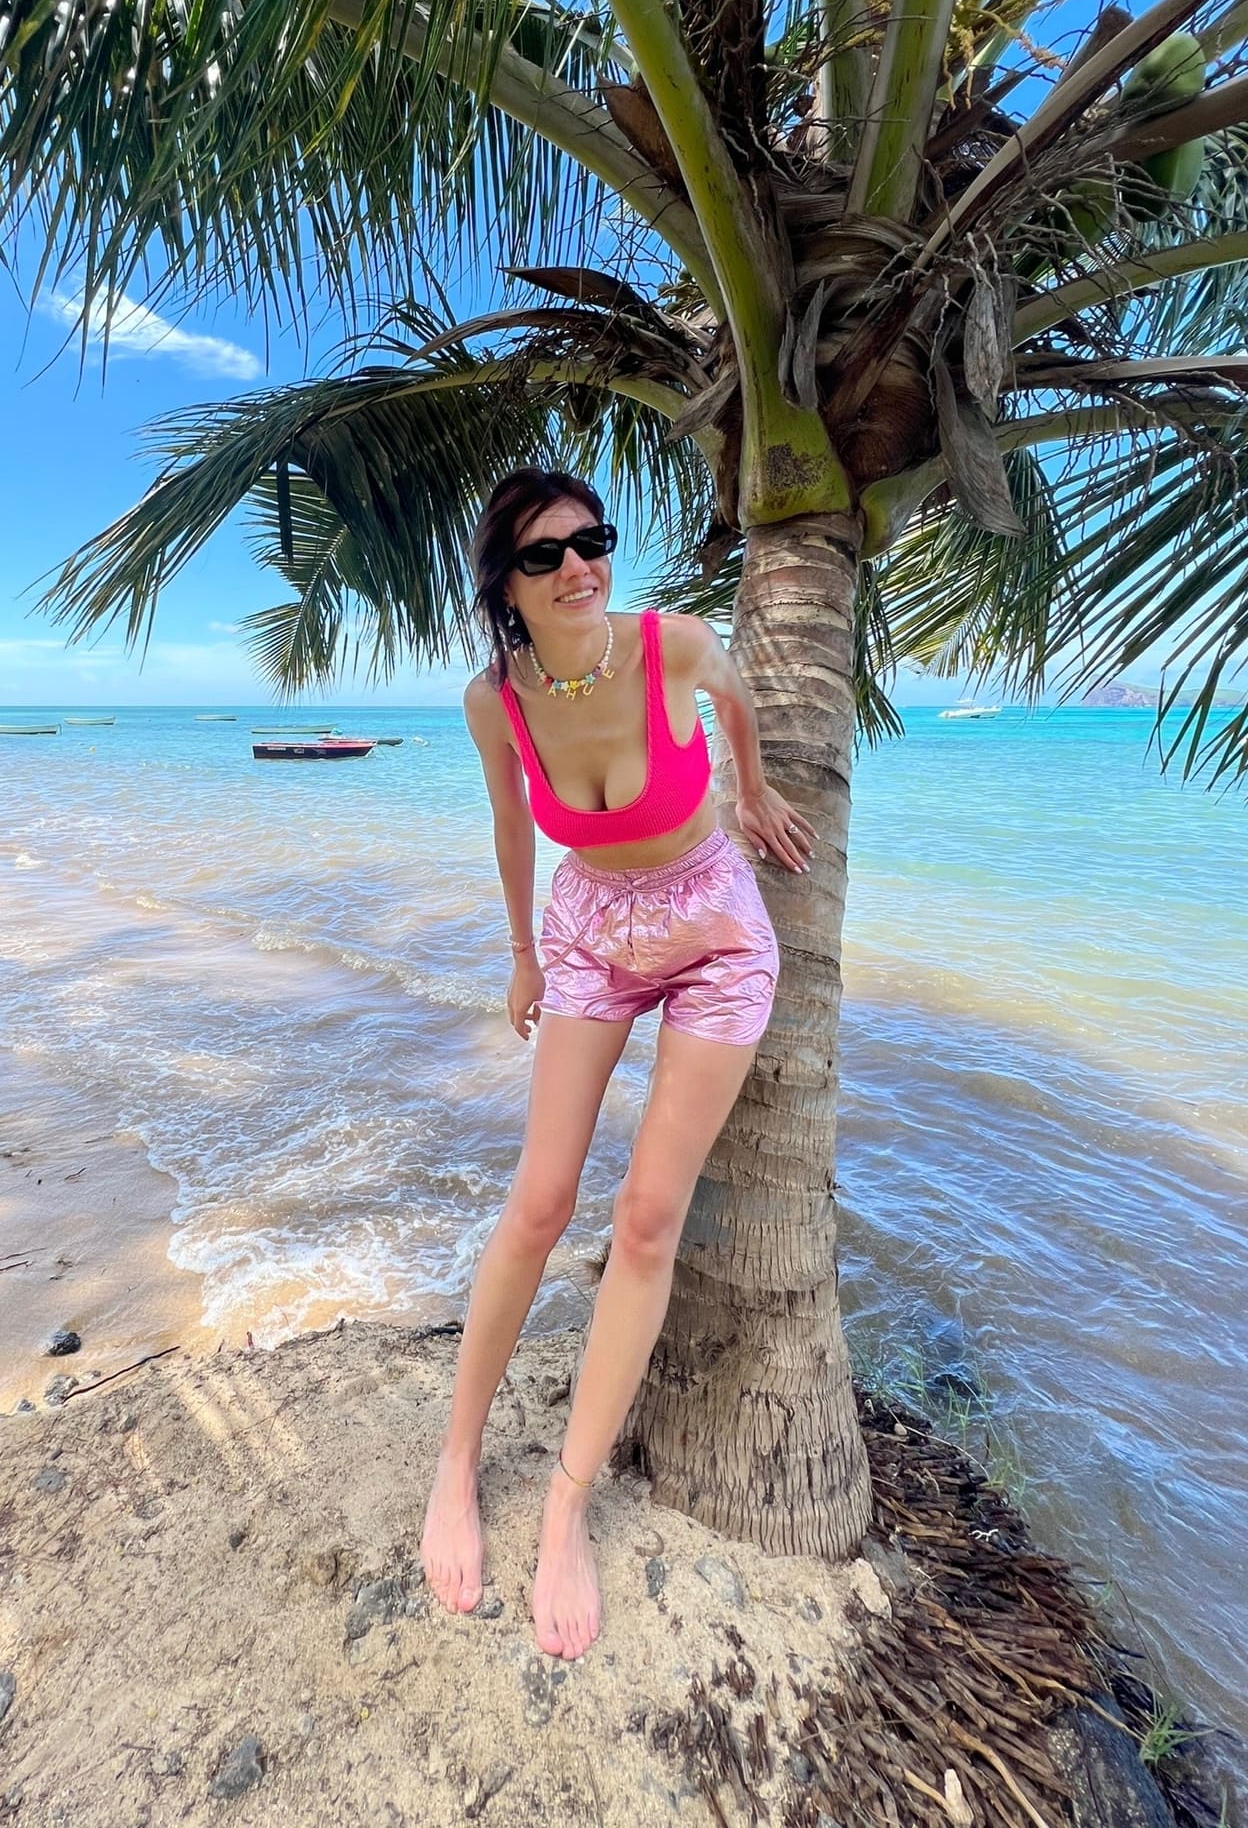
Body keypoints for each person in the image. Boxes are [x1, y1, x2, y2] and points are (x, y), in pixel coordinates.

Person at [420, 467, 816, 1661]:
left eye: (590, 541)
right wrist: (520, 954)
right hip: (588, 929)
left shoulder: (672, 645)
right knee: (539, 1203)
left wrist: (751, 793)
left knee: (646, 1220)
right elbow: (510, 825)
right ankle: (455, 1461)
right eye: (544, 555)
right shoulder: (493, 702)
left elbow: (736, 700)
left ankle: (565, 1504)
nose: (578, 568)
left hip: (714, 932)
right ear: (504, 584)